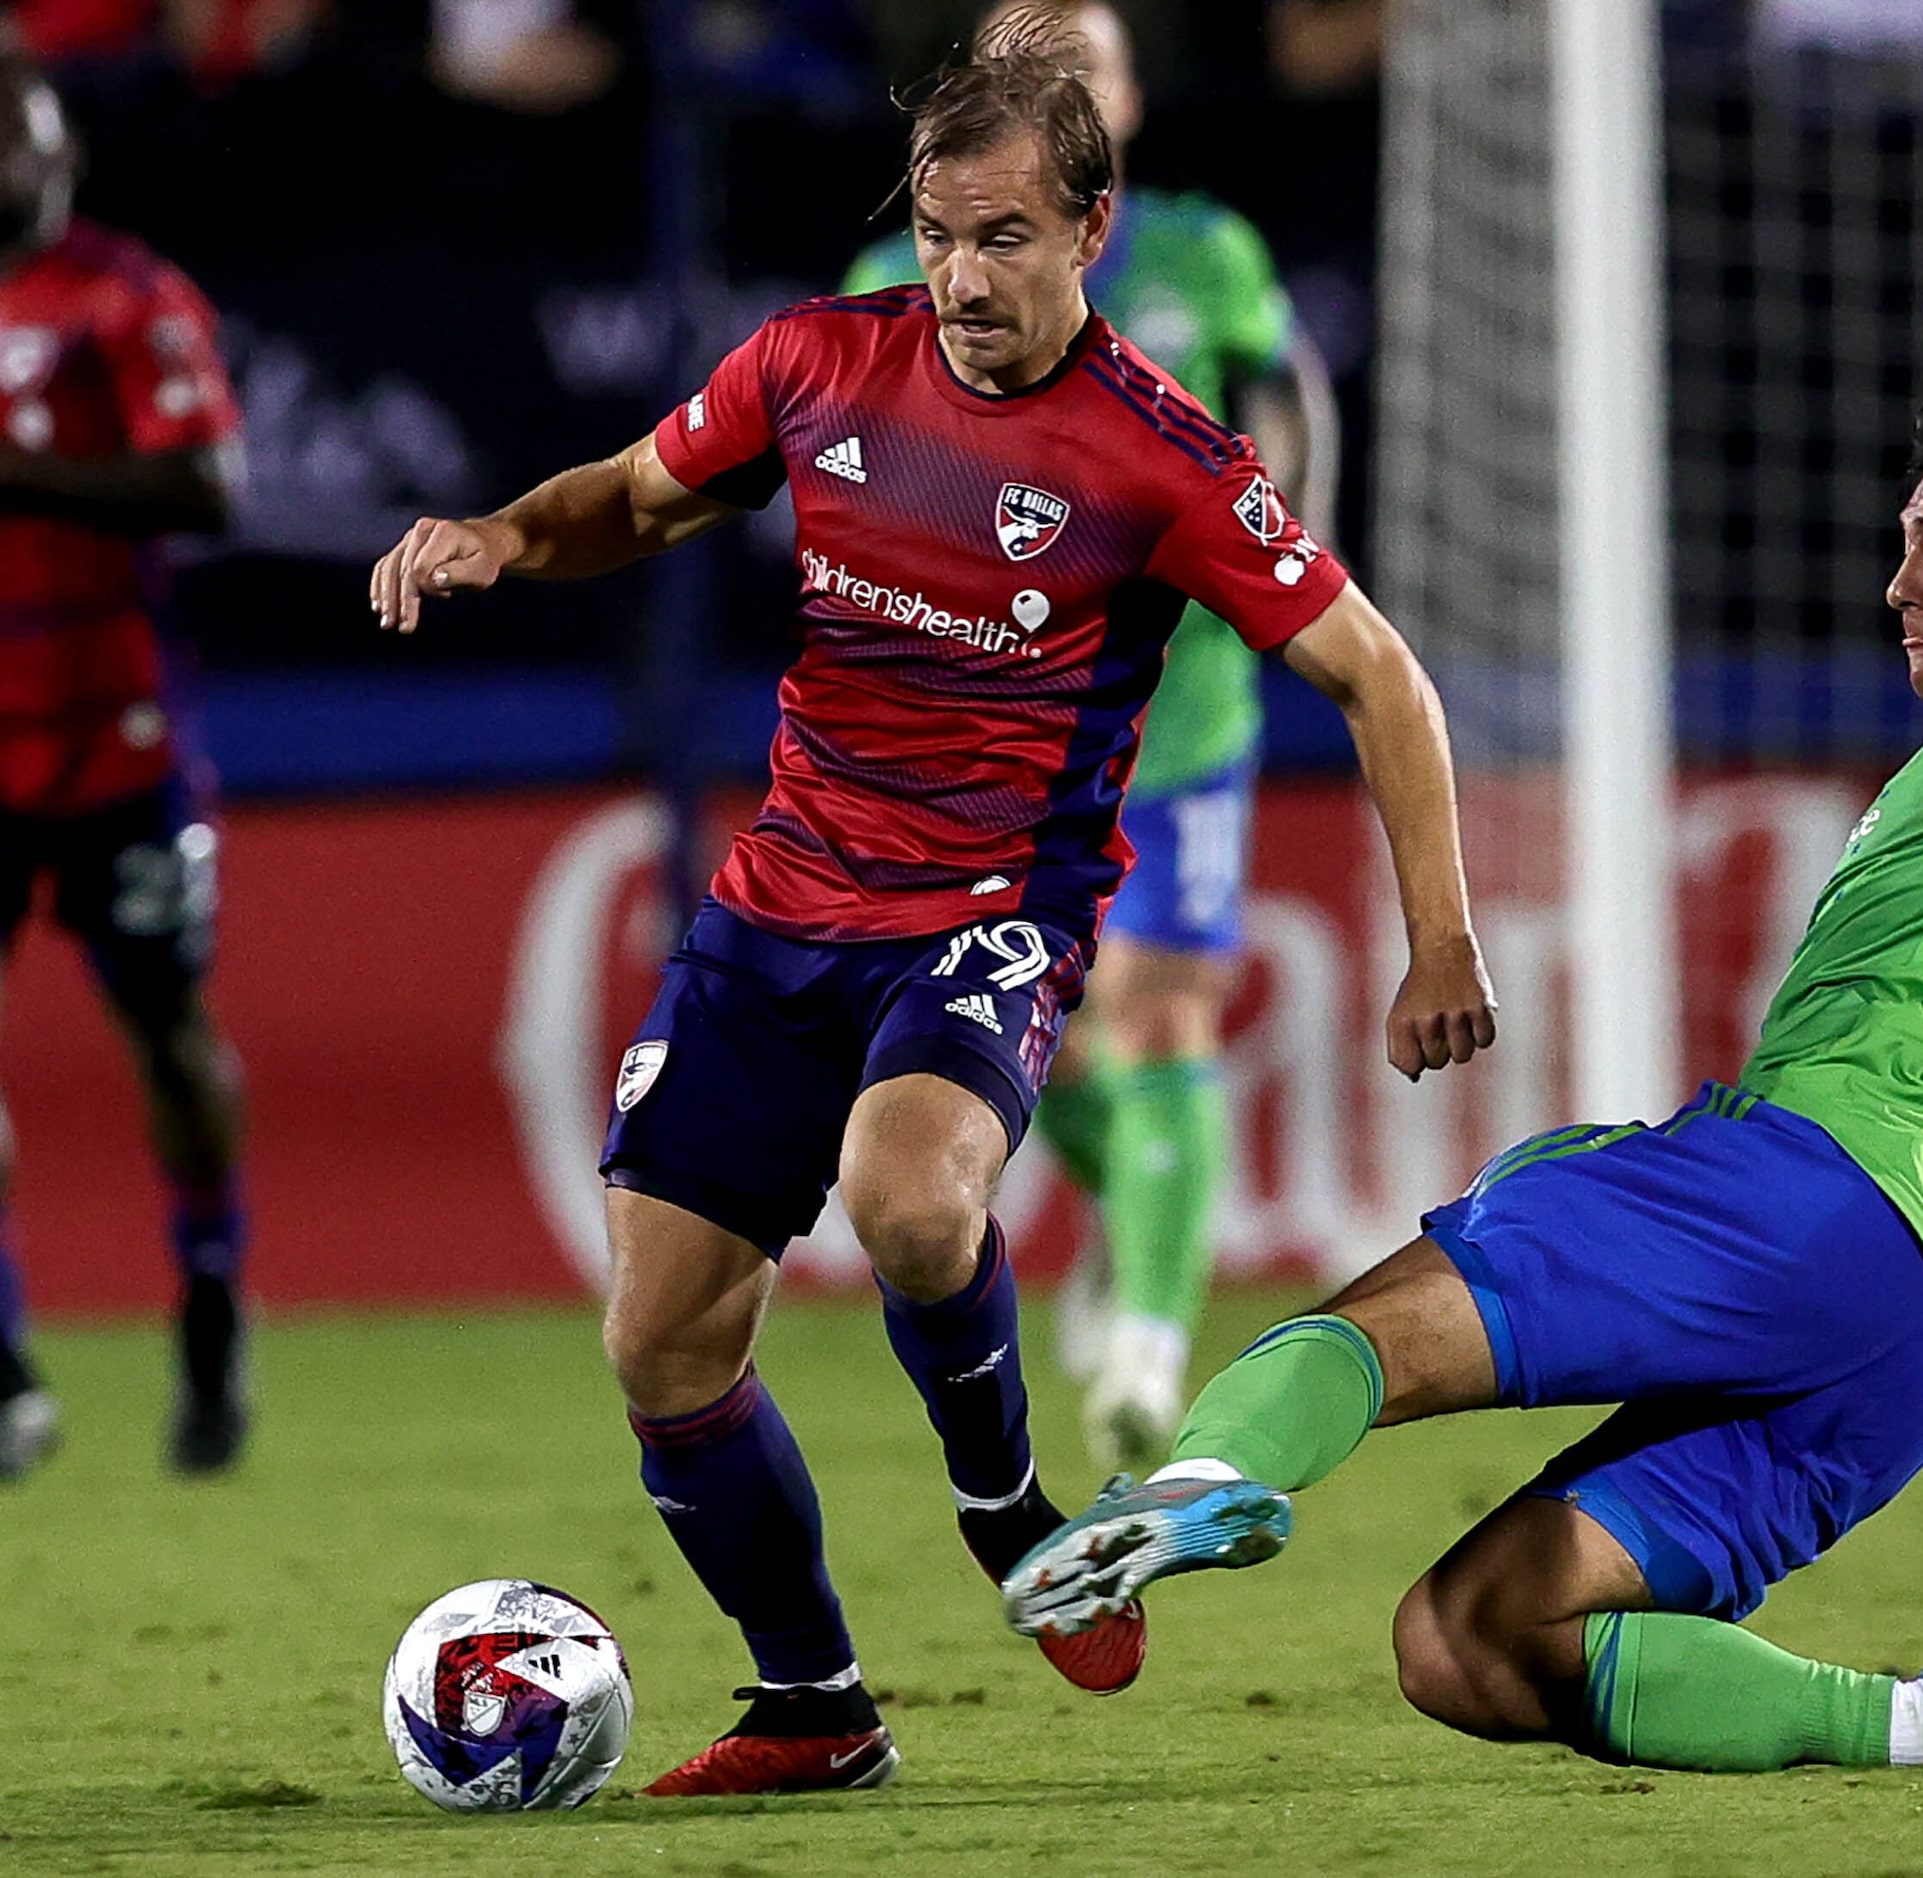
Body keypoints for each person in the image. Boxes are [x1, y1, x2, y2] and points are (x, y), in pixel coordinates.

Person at [1004, 373, 1923, 1772]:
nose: (1903, 582)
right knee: (1470, 1639)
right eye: (1903, 545)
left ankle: (1192, 1486)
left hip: (1812, 1202)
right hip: (1921, 1341)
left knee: (1382, 1324)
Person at [367, 14, 1495, 1799]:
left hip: (989, 908)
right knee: (660, 1335)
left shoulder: (1160, 453)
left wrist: (1439, 931)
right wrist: (506, 533)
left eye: (1005, 239)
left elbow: (1380, 675)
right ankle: (815, 1704)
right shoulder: (817, 359)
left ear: (1089, 231)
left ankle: (1007, 1515)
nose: (960, 276)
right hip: (780, 903)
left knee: (910, 1192)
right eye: (940, 231)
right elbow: (636, 499)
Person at [845, 0, 1330, 1473]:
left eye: (1091, 65)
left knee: (1164, 1008)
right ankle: (1132, 1218)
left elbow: (1283, 418)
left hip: (1176, 718)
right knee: (1033, 1049)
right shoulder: (892, 271)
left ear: (1123, 100)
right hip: (987, 734)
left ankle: (1149, 1348)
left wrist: (1251, 543)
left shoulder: (1206, 255)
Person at [0, 56, 250, 1482]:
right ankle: (3, 1361)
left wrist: (20, 478)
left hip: (114, 731)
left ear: (61, 150)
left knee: (163, 1028)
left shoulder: (125, 297)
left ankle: (212, 1300)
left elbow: (211, 480)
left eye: (16, 138)